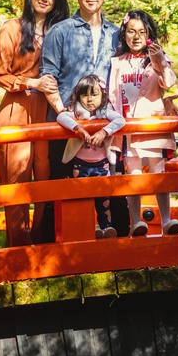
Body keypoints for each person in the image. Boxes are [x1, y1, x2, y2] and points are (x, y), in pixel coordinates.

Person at [37, 0, 121, 240]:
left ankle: (115, 254)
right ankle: (53, 255)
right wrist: (67, 115)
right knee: (61, 195)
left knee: (111, 197)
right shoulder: (60, 31)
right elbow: (48, 77)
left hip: (104, 130)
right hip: (66, 128)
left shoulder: (117, 35)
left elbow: (127, 75)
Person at [0, 0, 68, 246]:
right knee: (17, 177)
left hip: (47, 111)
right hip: (17, 107)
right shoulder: (11, 29)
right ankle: (19, 247)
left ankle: (42, 243)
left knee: (45, 177)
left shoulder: (58, 31)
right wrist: (32, 82)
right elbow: (1, 75)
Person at [108, 10, 178, 236]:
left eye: (141, 31)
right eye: (131, 31)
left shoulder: (157, 59)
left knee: (159, 172)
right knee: (133, 174)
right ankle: (136, 221)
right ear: (124, 34)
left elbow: (169, 82)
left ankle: (166, 219)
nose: (136, 36)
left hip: (153, 124)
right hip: (128, 126)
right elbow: (112, 94)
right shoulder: (117, 62)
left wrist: (159, 60)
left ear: (149, 34)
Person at [57, 74, 125, 238]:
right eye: (84, 95)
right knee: (83, 196)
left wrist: (104, 132)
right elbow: (61, 116)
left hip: (102, 164)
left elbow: (121, 120)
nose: (89, 100)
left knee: (103, 198)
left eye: (94, 94)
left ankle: (106, 227)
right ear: (78, 97)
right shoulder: (77, 113)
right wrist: (78, 128)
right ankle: (87, 229)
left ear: (102, 96)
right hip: (81, 164)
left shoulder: (105, 112)